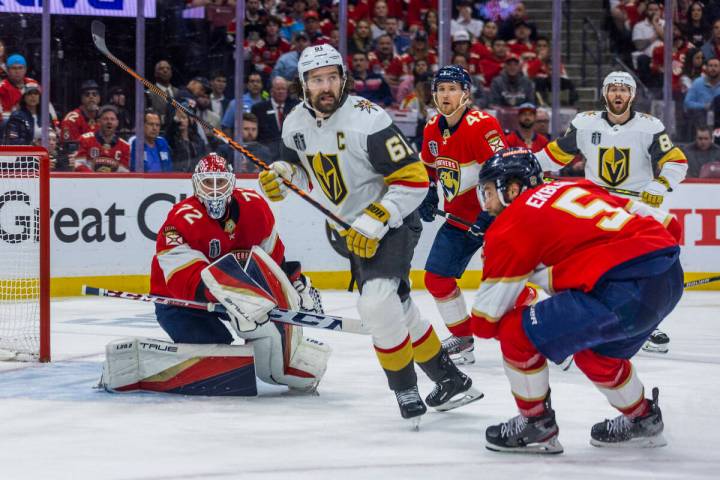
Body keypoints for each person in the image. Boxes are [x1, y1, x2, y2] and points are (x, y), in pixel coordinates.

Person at [258, 45, 480, 425]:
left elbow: (414, 180)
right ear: (303, 84)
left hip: (392, 221)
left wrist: (377, 216)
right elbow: (300, 169)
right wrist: (283, 175)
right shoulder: (294, 122)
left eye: (331, 77)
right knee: (399, 309)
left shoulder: (369, 120)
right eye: (316, 80)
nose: (325, 87)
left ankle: (404, 388)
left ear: (343, 78)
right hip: (350, 231)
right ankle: (451, 380)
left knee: (376, 304)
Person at [469, 148, 683, 453]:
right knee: (595, 354)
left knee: (516, 332)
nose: (486, 205)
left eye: (488, 192)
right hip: (669, 278)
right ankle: (643, 419)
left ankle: (536, 425)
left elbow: (485, 322)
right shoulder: (574, 185)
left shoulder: (510, 225)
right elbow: (669, 225)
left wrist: (522, 296)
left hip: (621, 291)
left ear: (511, 189)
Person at [150, 153, 330, 393]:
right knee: (220, 357)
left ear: (232, 183)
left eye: (220, 182)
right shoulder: (180, 220)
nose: (214, 190)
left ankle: (289, 362)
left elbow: (272, 261)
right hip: (181, 304)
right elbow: (188, 282)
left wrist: (294, 284)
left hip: (241, 297)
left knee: (270, 337)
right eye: (207, 183)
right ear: (196, 184)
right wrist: (241, 297)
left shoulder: (254, 207)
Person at [535, 71, 687, 354]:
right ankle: (584, 322)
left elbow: (676, 162)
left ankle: (647, 326)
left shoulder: (650, 126)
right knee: (590, 267)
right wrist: (528, 163)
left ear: (633, 95)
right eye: (613, 89)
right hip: (596, 209)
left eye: (624, 89)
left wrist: (660, 183)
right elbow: (556, 154)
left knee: (640, 270)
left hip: (635, 211)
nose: (618, 94)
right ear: (604, 93)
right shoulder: (585, 123)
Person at [418, 65, 518, 366]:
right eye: (441, 89)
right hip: (458, 219)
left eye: (452, 88)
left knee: (506, 284)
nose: (445, 94)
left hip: (495, 220)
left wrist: (490, 216)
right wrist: (429, 190)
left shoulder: (482, 125)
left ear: (465, 93)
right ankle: (462, 339)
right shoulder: (432, 127)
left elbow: (503, 172)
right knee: (436, 279)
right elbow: (428, 166)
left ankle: (544, 338)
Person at [251, 76, 298, 161]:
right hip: (266, 156)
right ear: (271, 91)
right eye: (278, 89)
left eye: (283, 89)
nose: (281, 92)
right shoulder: (258, 109)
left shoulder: (295, 107)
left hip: (290, 155)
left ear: (287, 91)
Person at [73, 105, 131, 172]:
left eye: (112, 119)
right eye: (105, 119)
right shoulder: (85, 139)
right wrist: (95, 178)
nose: (109, 122)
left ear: (117, 123)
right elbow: (78, 164)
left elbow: (124, 173)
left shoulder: (125, 146)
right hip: (89, 181)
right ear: (98, 122)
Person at [61, 80, 102, 151]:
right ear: (82, 98)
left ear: (99, 98)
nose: (91, 97)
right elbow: (70, 148)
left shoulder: (104, 116)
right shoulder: (71, 119)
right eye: (87, 94)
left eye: (94, 94)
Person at [0, 54, 37, 121]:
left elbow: (46, 106)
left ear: (25, 69)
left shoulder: (33, 84)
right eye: (14, 68)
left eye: (20, 68)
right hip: (9, 126)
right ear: (7, 70)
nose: (17, 71)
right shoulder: (1, 88)